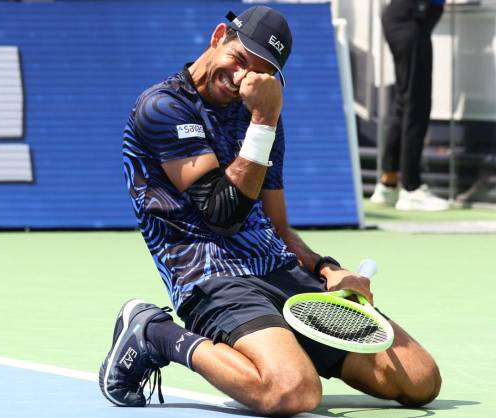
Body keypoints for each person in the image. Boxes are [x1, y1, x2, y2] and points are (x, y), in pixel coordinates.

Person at [101, 6, 441, 416]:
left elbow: (277, 226)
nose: (244, 78)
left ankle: (283, 345)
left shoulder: (260, 113)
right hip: (209, 276)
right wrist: (264, 119)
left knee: (420, 380)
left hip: (279, 272)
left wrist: (326, 269)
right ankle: (156, 334)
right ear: (218, 37)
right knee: (293, 392)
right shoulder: (163, 107)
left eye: (260, 72)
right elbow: (222, 214)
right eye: (239, 59)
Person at [370, 0, 449, 211]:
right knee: (416, 105)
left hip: (407, 18)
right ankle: (411, 189)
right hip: (411, 18)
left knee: (405, 103)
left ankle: (389, 182)